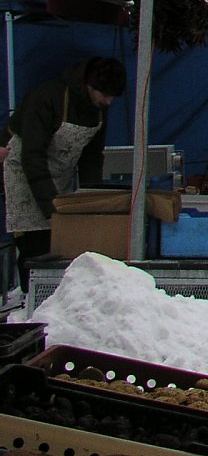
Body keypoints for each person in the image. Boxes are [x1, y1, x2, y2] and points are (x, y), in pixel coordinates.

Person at [3, 58, 124, 289]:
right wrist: (51, 206)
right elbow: (33, 155)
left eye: (112, 97)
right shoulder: (46, 98)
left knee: (61, 247)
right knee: (35, 245)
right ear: (89, 85)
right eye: (104, 94)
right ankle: (32, 300)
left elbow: (92, 157)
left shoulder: (98, 109)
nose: (108, 102)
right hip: (25, 174)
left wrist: (91, 202)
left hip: (60, 177)